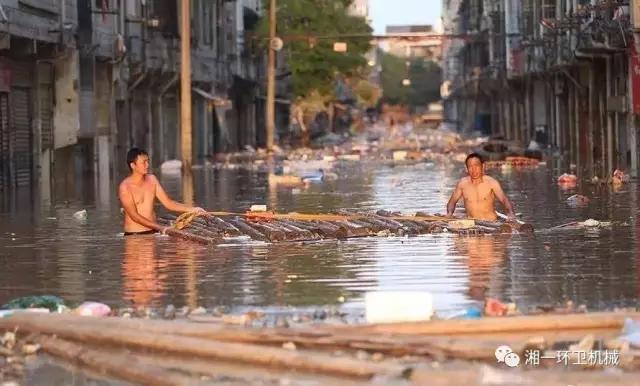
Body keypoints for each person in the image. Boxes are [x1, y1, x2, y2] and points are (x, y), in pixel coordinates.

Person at [119, 148, 204, 235]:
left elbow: (168, 203)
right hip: (135, 235)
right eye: (143, 162)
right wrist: (161, 228)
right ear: (133, 165)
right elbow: (134, 216)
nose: (147, 165)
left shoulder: (152, 179)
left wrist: (193, 209)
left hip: (153, 231)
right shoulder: (125, 187)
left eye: (148, 161)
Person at [446, 153, 515, 221]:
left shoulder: (492, 182)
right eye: (470, 166)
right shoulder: (462, 184)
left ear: (483, 166)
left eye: (476, 166)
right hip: (472, 225)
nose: (474, 169)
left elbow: (504, 200)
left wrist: (511, 214)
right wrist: (449, 213)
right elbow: (452, 202)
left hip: (491, 224)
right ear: (467, 169)